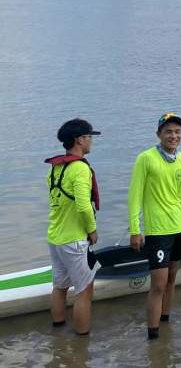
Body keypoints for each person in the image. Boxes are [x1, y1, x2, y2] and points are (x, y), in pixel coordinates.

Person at [128, 113, 181, 340]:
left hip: (178, 228)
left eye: (177, 132)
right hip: (157, 231)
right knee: (158, 285)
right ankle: (152, 337)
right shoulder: (146, 158)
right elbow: (134, 196)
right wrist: (135, 229)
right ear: (159, 134)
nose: (173, 136)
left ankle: (166, 321)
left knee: (172, 278)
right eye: (168, 131)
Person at [46, 119, 101, 336]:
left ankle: (58, 330)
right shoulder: (79, 168)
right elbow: (83, 205)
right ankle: (82, 341)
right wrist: (92, 230)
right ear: (79, 140)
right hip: (75, 239)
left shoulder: (56, 167)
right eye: (89, 137)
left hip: (55, 237)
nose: (91, 141)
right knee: (84, 291)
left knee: (60, 287)